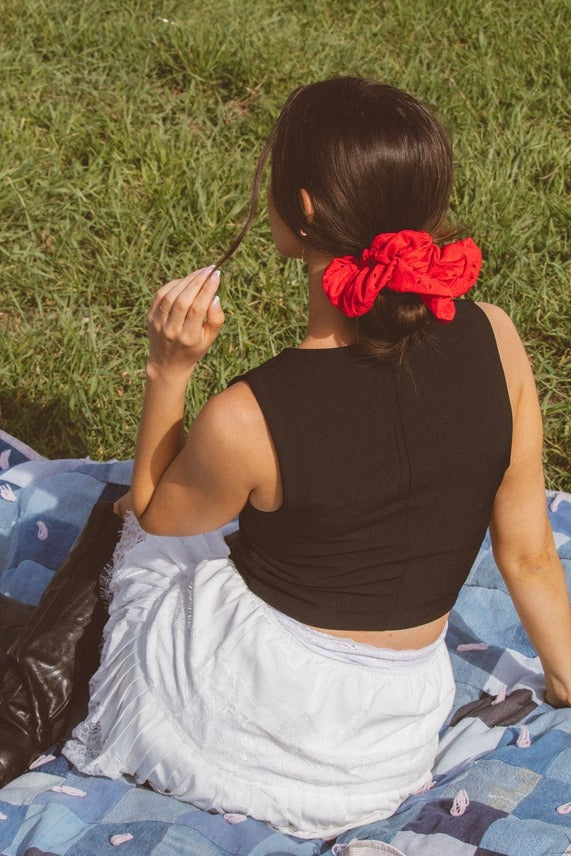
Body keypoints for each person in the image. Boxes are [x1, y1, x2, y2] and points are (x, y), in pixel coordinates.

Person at [1, 77, 570, 838]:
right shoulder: (495, 337)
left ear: (301, 211)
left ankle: (20, 711)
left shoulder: (250, 415)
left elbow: (157, 513)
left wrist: (168, 371)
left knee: (125, 519)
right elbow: (528, 553)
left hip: (248, 726)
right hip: (383, 748)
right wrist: (563, 678)